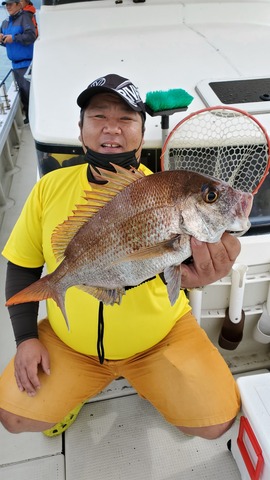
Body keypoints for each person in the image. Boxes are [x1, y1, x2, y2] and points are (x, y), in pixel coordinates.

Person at [0, 74, 241, 440]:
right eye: (98, 117)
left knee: (216, 421)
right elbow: (22, 263)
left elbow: (176, 268)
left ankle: (149, 382)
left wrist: (201, 272)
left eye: (126, 119)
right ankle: (75, 392)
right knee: (12, 416)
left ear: (141, 134)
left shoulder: (164, 193)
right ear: (80, 129)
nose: (111, 128)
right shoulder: (49, 188)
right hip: (71, 345)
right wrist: (26, 338)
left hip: (159, 340)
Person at [0, 0, 36, 124]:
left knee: (30, 93)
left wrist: (14, 38)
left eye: (10, 4)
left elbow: (31, 36)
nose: (8, 7)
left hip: (27, 64)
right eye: (6, 4)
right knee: (24, 94)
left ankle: (35, 119)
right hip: (15, 65)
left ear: (18, 4)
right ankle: (29, 119)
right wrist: (2, 40)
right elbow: (6, 43)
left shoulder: (25, 18)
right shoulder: (4, 23)